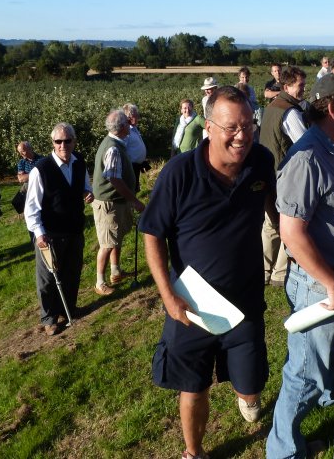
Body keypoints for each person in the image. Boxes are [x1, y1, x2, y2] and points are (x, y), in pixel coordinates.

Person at [139, 86, 276, 459]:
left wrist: (294, 248)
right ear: (209, 128)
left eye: (248, 125)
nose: (242, 135)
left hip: (245, 300)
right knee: (193, 384)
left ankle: (245, 396)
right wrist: (169, 296)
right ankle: (193, 451)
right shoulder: (180, 173)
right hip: (192, 304)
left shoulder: (261, 161)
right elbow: (152, 232)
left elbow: (275, 210)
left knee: (251, 387)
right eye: (232, 127)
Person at [266, 73, 334, 458]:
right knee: (302, 373)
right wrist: (330, 283)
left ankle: (331, 394)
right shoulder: (307, 157)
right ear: (333, 108)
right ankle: (283, 450)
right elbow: (292, 233)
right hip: (321, 283)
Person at [24, 123, 95, 336]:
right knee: (47, 278)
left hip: (74, 229)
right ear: (52, 143)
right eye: (58, 141)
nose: (63, 145)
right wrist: (39, 234)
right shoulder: (41, 170)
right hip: (51, 234)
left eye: (67, 140)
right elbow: (31, 207)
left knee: (72, 272)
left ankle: (68, 309)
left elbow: (84, 185)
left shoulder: (79, 161)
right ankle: (49, 318)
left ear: (74, 141)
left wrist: (86, 193)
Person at [258, 66, 308, 286]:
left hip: (266, 171)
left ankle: (264, 269)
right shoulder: (290, 112)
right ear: (287, 86)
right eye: (300, 86)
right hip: (283, 174)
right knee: (286, 224)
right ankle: (279, 273)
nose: (303, 90)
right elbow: (305, 144)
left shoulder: (272, 106)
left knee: (269, 224)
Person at [92, 110, 145, 295]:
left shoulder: (115, 143)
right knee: (107, 243)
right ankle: (100, 282)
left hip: (116, 202)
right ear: (122, 127)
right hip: (109, 203)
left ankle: (115, 271)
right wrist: (134, 200)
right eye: (127, 123)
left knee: (116, 237)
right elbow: (114, 179)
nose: (130, 125)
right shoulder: (113, 148)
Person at [122, 103, 148, 192]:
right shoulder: (126, 131)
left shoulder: (134, 128)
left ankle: (133, 203)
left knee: (135, 187)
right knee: (131, 188)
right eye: (136, 115)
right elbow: (122, 149)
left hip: (136, 166)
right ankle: (131, 204)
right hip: (130, 167)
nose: (138, 118)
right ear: (130, 117)